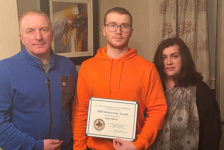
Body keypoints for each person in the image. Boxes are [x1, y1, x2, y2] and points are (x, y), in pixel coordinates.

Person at [71, 7, 167, 150]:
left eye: (124, 26)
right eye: (112, 25)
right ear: (104, 30)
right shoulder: (87, 67)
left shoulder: (147, 68)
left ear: (131, 32)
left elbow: (158, 111)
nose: (118, 31)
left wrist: (138, 144)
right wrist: (79, 148)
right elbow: (80, 111)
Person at [0, 10, 78, 150]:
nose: (38, 37)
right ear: (21, 37)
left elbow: (75, 109)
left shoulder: (67, 66)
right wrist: (36, 146)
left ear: (52, 34)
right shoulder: (5, 70)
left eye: (44, 30)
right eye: (30, 31)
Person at [149, 37, 222, 150]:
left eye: (174, 56)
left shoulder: (200, 90)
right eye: (164, 57)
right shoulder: (153, 88)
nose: (168, 62)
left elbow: (212, 133)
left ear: (184, 58)